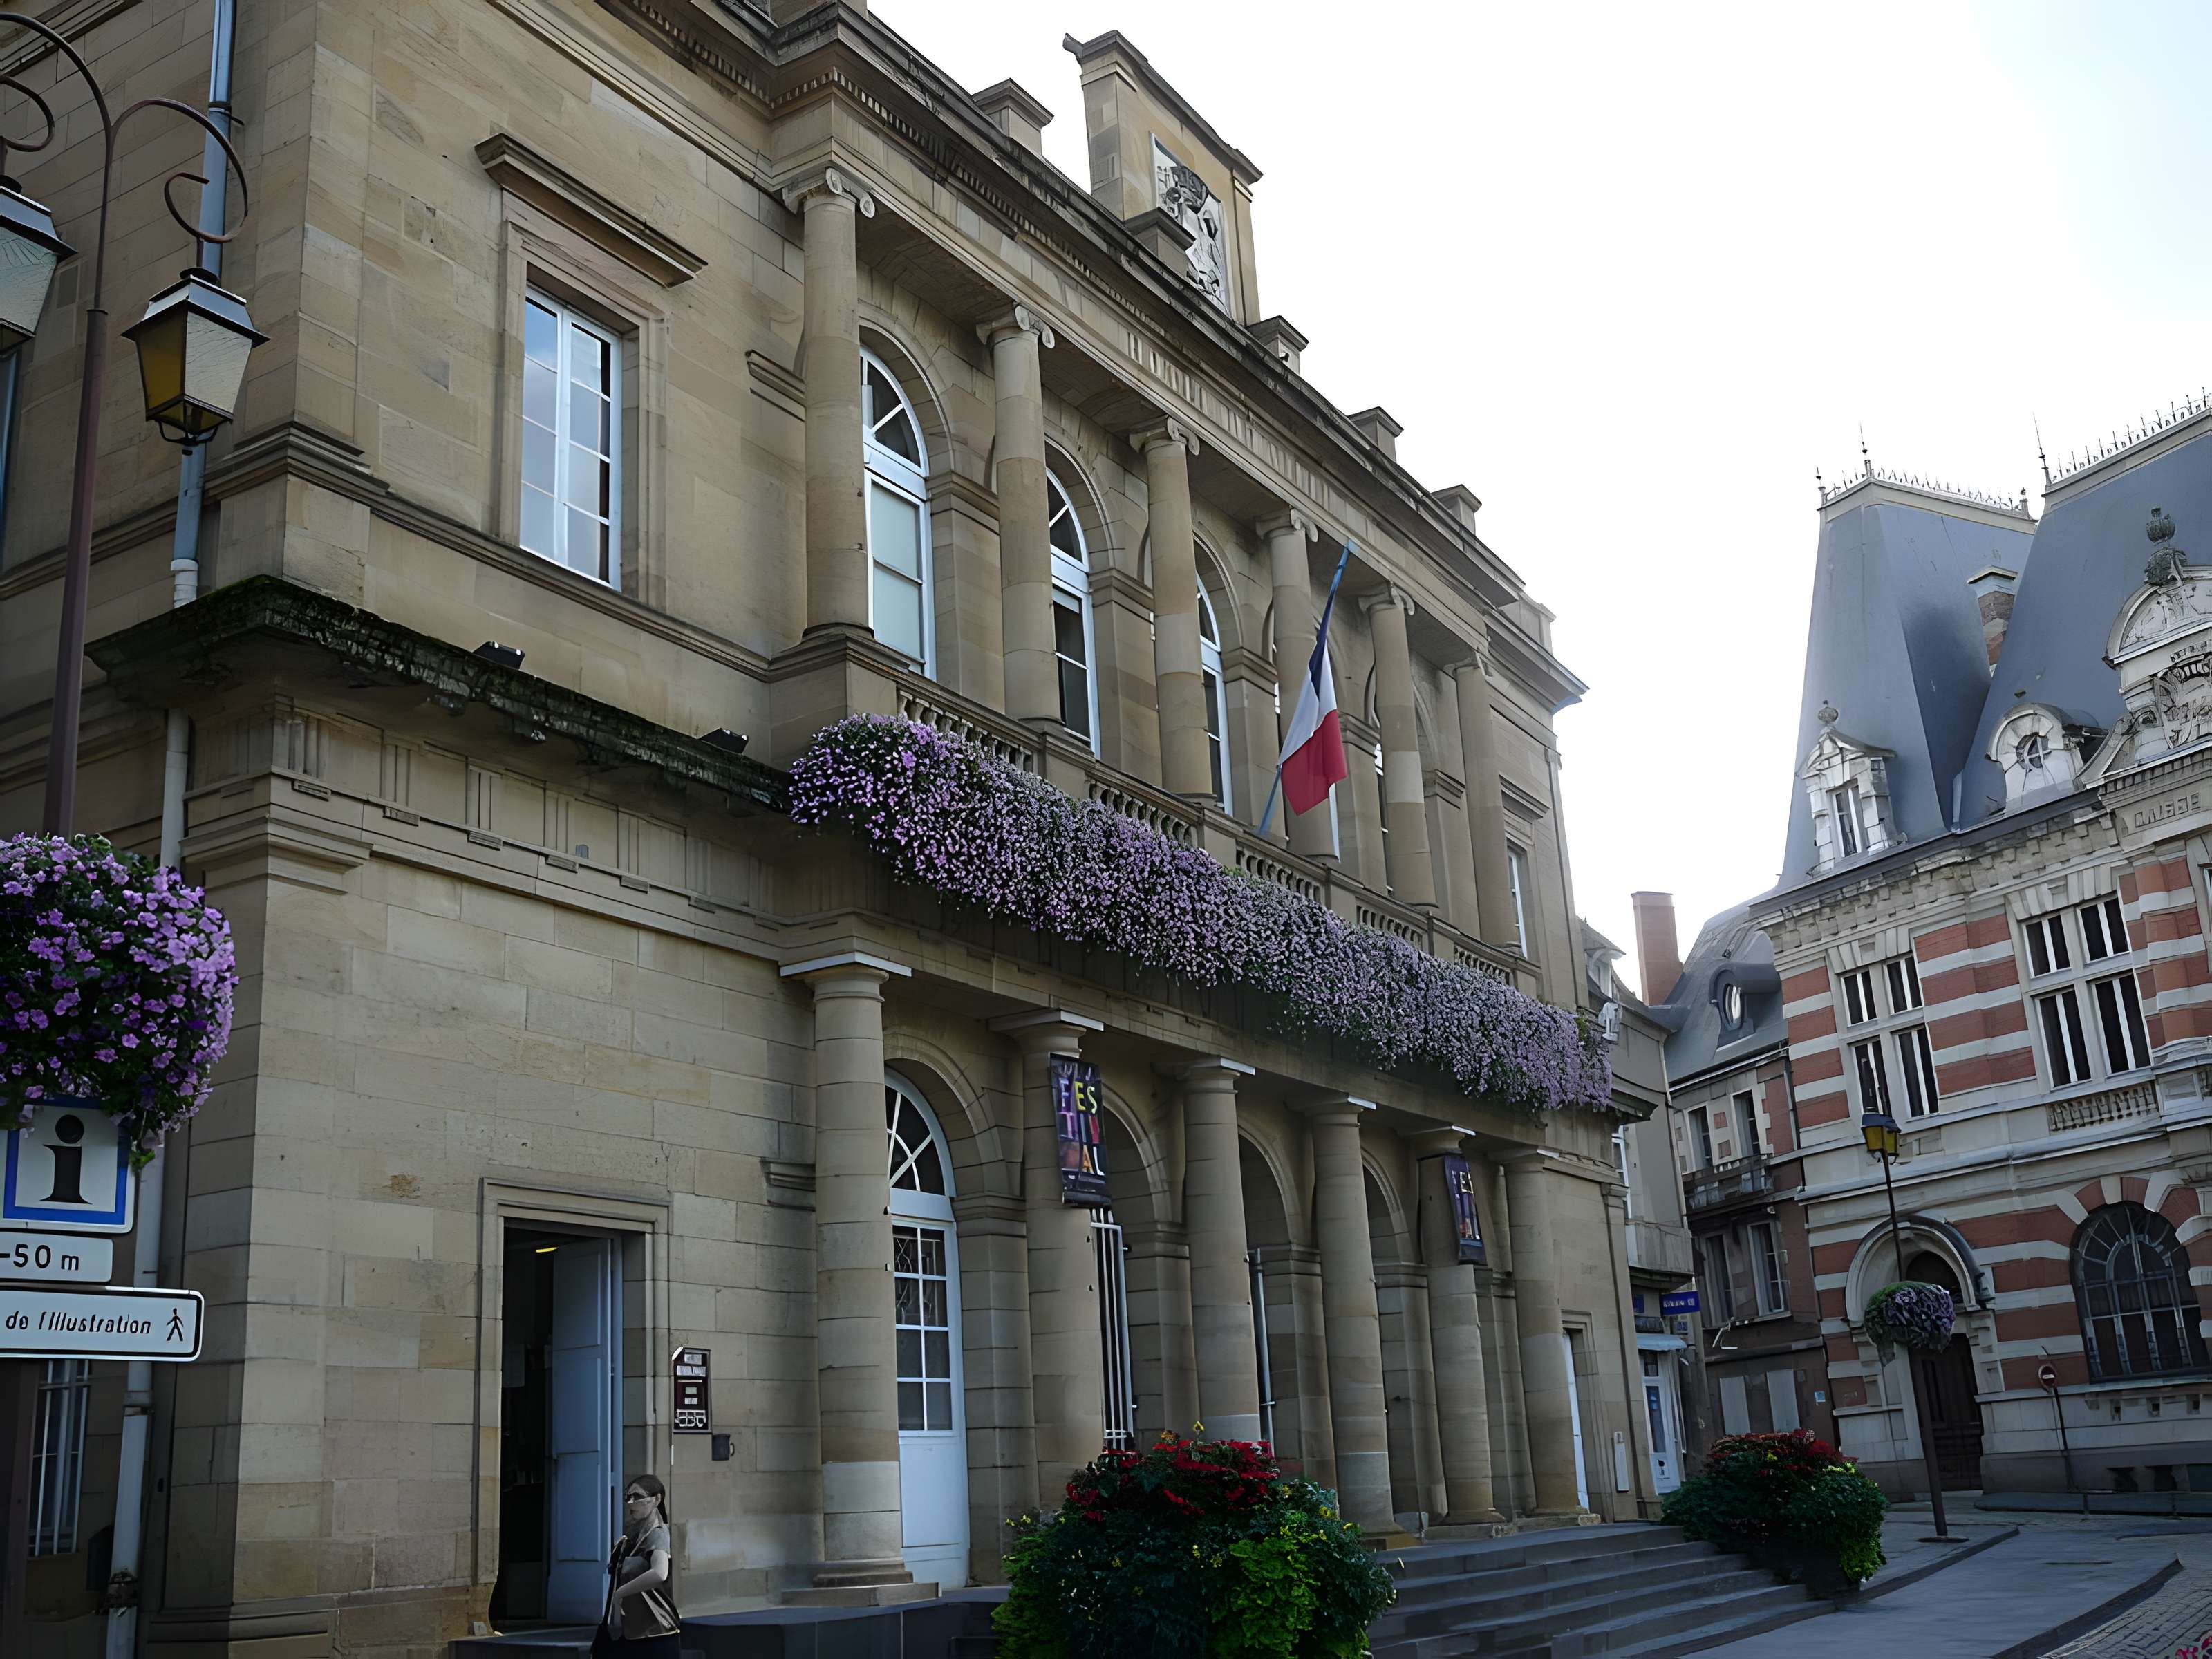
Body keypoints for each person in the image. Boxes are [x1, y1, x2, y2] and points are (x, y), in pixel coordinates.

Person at [594, 1474, 679, 1658]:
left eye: (637, 1497)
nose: (630, 1503)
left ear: (657, 1499)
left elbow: (660, 1572)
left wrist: (621, 1592)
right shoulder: (631, 1538)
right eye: (628, 1497)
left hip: (656, 1631)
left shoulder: (658, 1534)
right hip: (633, 1631)